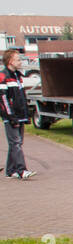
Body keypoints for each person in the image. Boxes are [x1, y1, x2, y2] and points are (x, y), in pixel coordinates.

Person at [1, 49, 34, 179]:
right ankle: (21, 170)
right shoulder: (3, 76)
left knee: (15, 144)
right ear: (10, 61)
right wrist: (11, 116)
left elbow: (21, 97)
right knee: (16, 143)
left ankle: (10, 170)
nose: (20, 62)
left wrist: (26, 114)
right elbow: (3, 99)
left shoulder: (18, 76)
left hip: (20, 115)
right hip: (11, 117)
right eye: (18, 59)